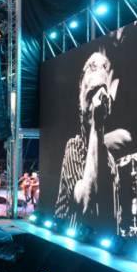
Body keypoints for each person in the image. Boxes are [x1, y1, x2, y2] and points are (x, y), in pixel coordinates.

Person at [55, 51, 121, 231]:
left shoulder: (110, 160)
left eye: (101, 92)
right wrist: (96, 126)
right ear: (80, 102)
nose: (96, 102)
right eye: (91, 93)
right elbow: (86, 202)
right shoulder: (74, 147)